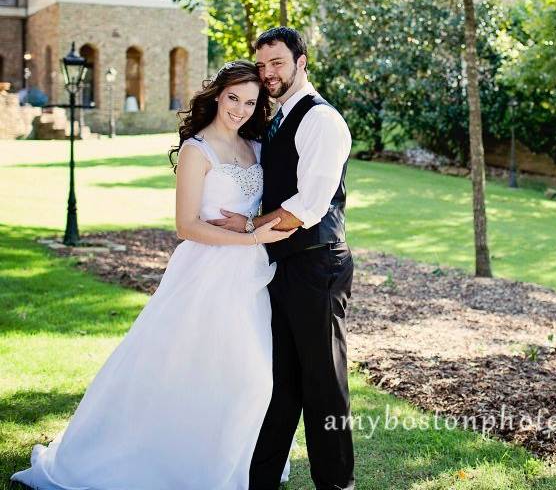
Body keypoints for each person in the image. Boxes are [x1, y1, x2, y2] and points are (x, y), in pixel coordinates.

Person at [11, 61, 295, 489]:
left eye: (250, 102)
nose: (239, 109)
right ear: (218, 95)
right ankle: (164, 458)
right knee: (188, 369)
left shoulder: (254, 146)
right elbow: (186, 226)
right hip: (206, 274)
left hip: (250, 278)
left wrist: (259, 232)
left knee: (248, 374)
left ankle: (225, 461)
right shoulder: (197, 151)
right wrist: (252, 239)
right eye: (233, 98)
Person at [210, 27, 355, 490]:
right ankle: (261, 480)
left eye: (278, 63)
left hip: (317, 265)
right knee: (280, 384)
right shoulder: (276, 117)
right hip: (283, 265)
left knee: (324, 386)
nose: (269, 73)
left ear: (301, 61)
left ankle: (337, 485)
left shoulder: (320, 120)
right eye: (263, 65)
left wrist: (249, 227)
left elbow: (309, 205)